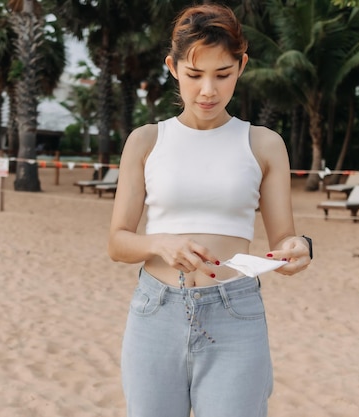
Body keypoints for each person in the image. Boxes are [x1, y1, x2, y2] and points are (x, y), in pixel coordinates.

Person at [107, 4, 312, 417]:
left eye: (223, 75)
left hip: (235, 314)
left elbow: (283, 242)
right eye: (194, 75)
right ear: (172, 67)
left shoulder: (264, 144)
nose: (208, 91)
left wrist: (300, 248)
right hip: (156, 313)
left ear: (242, 66)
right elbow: (117, 242)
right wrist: (161, 244)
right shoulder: (146, 141)